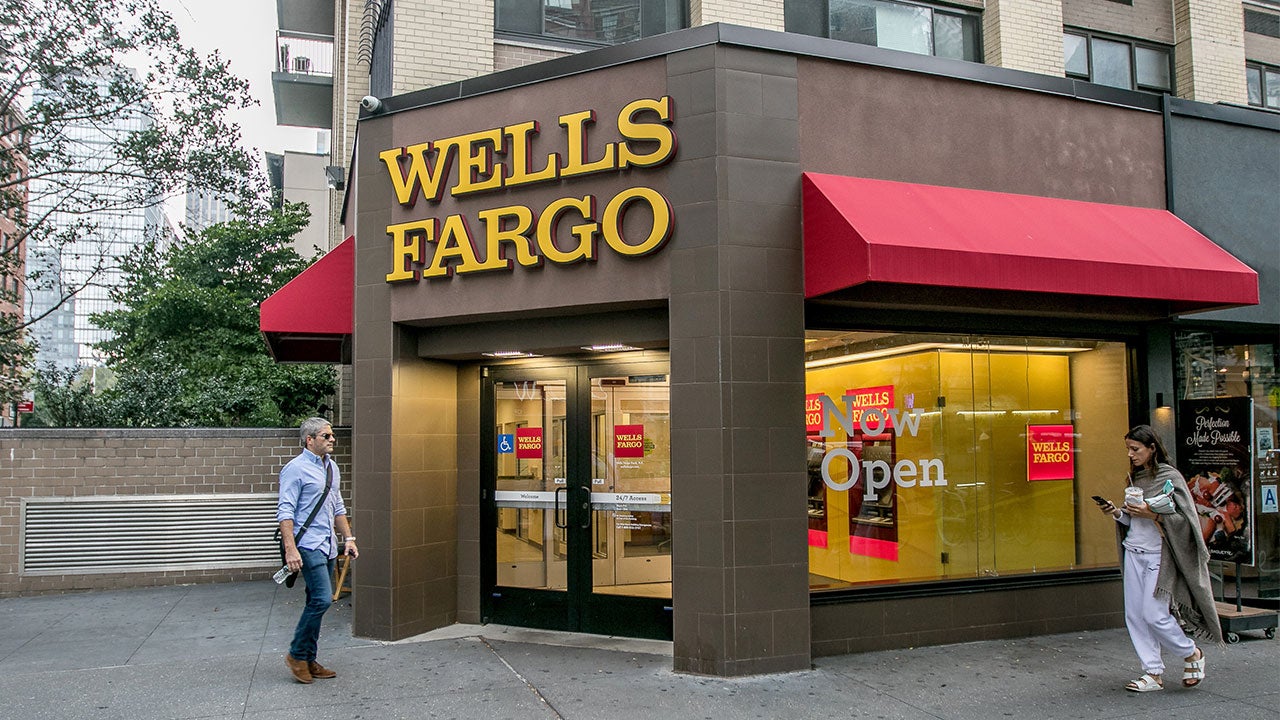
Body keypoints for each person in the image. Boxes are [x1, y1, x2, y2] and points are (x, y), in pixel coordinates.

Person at [1096, 425, 1221, 693]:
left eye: (1135, 449)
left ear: (1152, 448)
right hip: (1134, 551)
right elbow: (1132, 519)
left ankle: (1191, 653)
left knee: (1154, 615)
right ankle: (1152, 672)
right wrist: (1117, 513)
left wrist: (1153, 514)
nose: (1130, 454)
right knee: (1135, 616)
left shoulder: (1170, 477)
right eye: (1128, 449)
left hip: (1158, 555)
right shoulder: (1135, 478)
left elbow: (1186, 521)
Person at [277, 417, 358, 684]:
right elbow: (285, 512)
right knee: (322, 599)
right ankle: (296, 654)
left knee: (317, 601)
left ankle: (309, 659)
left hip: (328, 545)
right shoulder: (295, 469)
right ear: (309, 440)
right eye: (326, 436)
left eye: (332, 435)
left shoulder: (332, 468)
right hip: (307, 545)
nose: (332, 439)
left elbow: (338, 507)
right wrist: (291, 550)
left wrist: (349, 539)